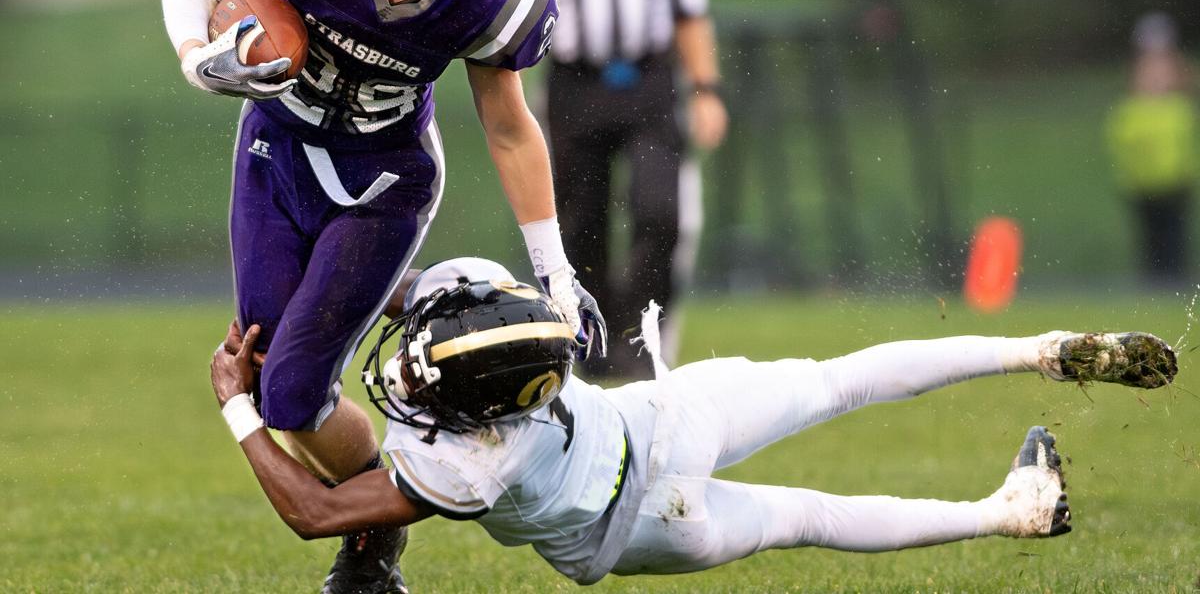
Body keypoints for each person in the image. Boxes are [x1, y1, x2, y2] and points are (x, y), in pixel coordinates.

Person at [162, 0, 605, 594]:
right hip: (276, 147)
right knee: (265, 374)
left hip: (384, 179)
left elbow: (509, 128)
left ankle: (373, 547)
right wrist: (203, 63)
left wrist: (557, 270)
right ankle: (391, 295)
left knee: (292, 395)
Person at [211, 256, 1177, 589]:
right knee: (842, 380)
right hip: (659, 419)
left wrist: (242, 405)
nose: (408, 383)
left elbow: (312, 511)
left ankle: (1006, 512)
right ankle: (1036, 348)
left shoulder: (463, 462)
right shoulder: (485, 301)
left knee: (813, 517)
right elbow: (402, 292)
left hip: (639, 532)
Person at [516, 0, 728, 378]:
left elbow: (691, 12)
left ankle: (641, 332)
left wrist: (707, 88)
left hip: (650, 84)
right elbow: (510, 16)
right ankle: (596, 338)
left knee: (661, 210)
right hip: (574, 88)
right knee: (579, 219)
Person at [1106, 11, 1197, 283]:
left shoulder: (1179, 108)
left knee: (1174, 241)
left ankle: (1173, 285)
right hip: (1142, 186)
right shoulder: (1131, 110)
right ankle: (1154, 284)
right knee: (1152, 242)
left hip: (1175, 186)